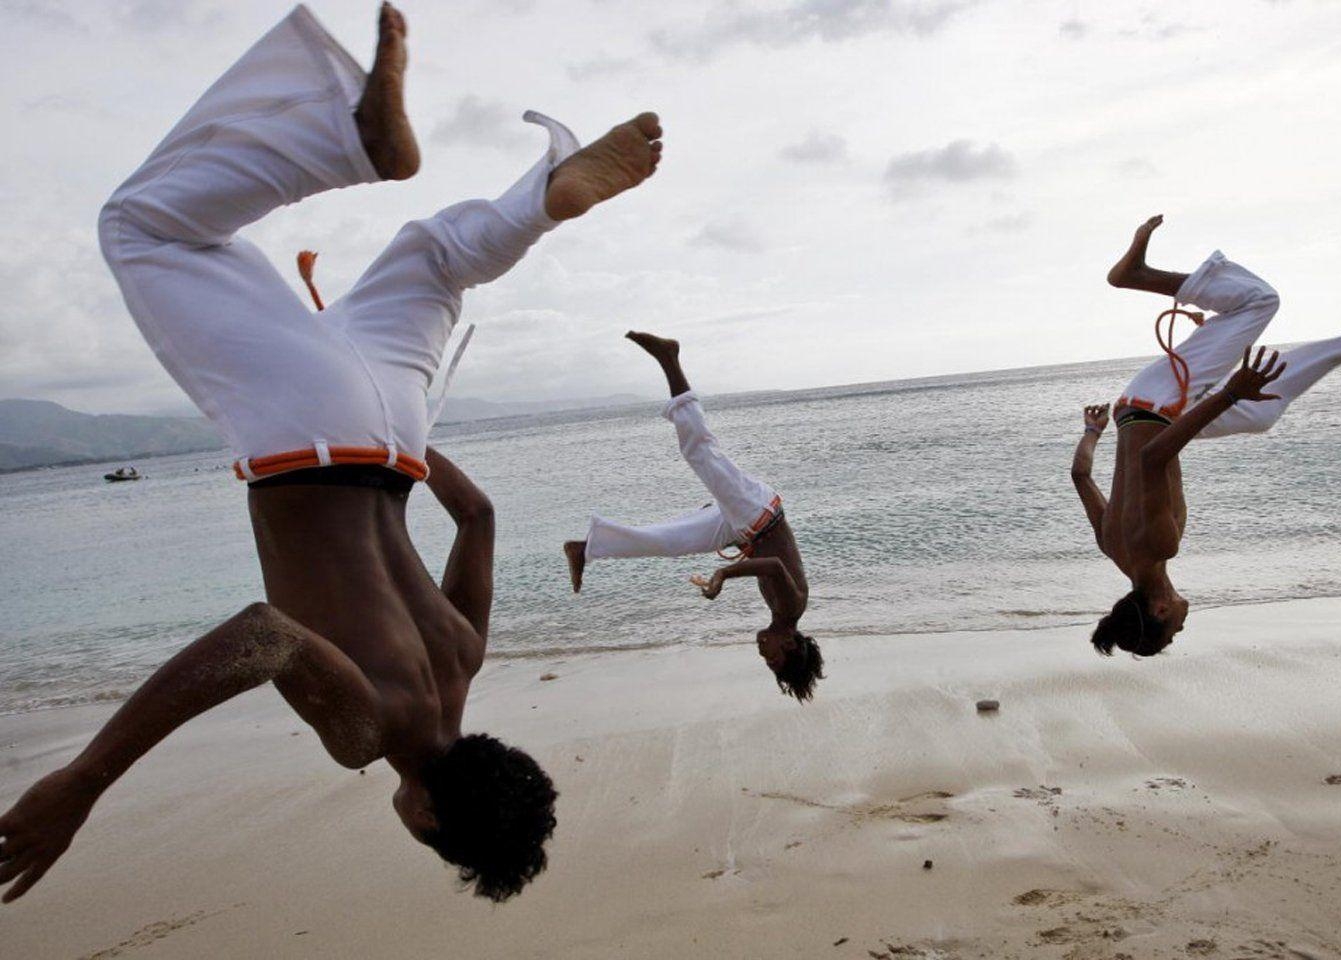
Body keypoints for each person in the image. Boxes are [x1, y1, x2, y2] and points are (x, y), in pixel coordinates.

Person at [0, 3, 662, 904]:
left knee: (433, 261)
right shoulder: (371, 731)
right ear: (428, 818)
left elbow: (479, 514)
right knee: (142, 228)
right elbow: (265, 636)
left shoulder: (464, 655)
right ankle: (346, 140)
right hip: (301, 433)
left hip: (394, 428)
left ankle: (537, 203)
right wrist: (83, 782)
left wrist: (416, 440)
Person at [1072, 215, 1341, 658]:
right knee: (1261, 412)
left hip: (1159, 403)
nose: (1179, 627)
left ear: (1158, 609)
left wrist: (1230, 392)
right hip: (1141, 412)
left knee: (1259, 302)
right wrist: (1092, 433)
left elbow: (1152, 459)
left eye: (1172, 632)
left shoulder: (1158, 545)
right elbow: (1080, 475)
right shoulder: (1117, 553)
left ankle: (1136, 276)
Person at [562, 332, 823, 701]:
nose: (763, 655)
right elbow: (775, 567)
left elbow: (767, 560)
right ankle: (670, 359)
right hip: (757, 513)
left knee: (671, 542)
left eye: (767, 663)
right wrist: (722, 574)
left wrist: (727, 565)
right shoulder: (792, 607)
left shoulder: (781, 614)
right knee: (700, 450)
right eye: (773, 660)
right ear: (791, 647)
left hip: (741, 530)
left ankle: (586, 548)